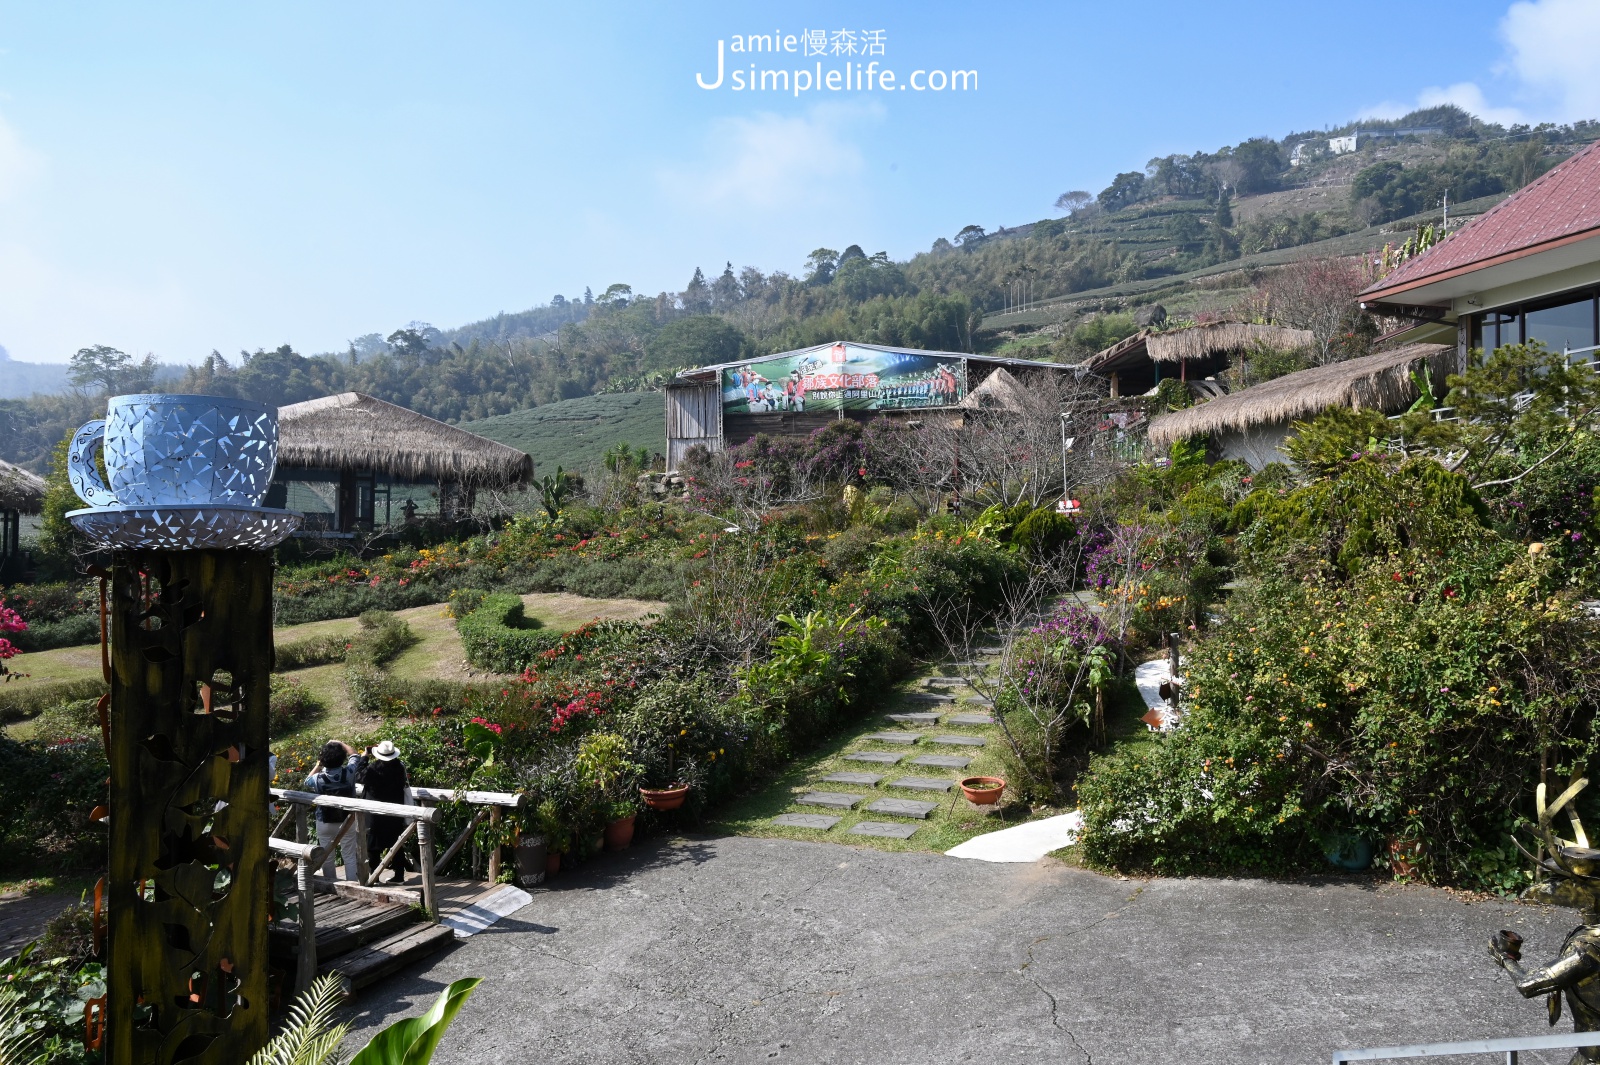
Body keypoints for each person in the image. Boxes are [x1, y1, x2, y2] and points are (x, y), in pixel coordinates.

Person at [304, 740, 364, 881]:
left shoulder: (318, 778)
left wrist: (319, 765)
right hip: (347, 819)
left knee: (326, 855)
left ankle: (331, 884)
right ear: (342, 758)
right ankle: (351, 884)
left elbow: (306, 781)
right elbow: (355, 755)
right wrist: (340, 743)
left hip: (324, 820)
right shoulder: (349, 772)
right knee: (349, 855)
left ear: (324, 760)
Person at [361, 740, 412, 884]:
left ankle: (375, 877)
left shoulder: (373, 768)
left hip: (375, 814)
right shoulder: (399, 767)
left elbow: (359, 776)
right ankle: (399, 876)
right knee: (396, 844)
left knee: (373, 846)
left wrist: (364, 757)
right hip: (395, 811)